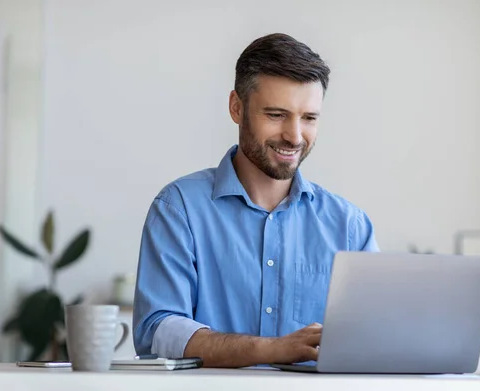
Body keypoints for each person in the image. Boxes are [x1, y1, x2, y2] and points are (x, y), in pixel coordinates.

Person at [133, 33, 379, 368]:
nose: (294, 136)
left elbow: (376, 338)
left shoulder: (351, 227)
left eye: (309, 118)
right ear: (237, 107)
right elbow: (156, 332)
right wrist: (271, 349)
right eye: (277, 115)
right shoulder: (179, 209)